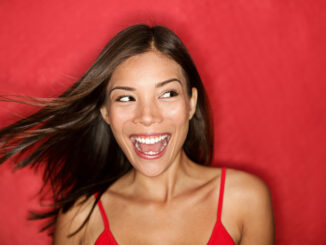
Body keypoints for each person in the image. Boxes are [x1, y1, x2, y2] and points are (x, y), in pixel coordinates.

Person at [0, 24, 274, 244]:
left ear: (191, 103)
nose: (147, 117)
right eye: (126, 98)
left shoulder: (244, 199)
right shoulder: (80, 218)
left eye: (167, 94)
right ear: (106, 112)